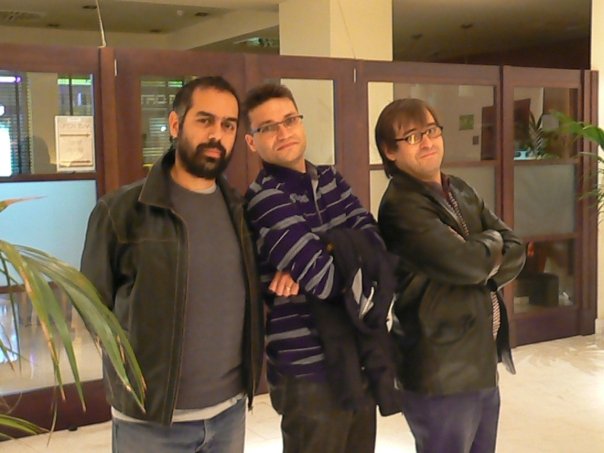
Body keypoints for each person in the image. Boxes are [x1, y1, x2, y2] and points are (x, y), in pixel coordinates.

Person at [80, 76, 263, 453]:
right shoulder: (121, 211)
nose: (217, 135)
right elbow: (92, 308)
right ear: (176, 124)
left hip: (229, 415)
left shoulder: (241, 211)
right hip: (151, 423)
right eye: (205, 120)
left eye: (228, 125)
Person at [243, 83, 400, 453]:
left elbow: (377, 249)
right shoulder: (265, 198)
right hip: (308, 368)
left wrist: (322, 247)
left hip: (359, 354)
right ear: (252, 142)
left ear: (301, 122)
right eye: (268, 127)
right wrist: (341, 249)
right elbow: (326, 280)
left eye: (289, 120)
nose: (283, 132)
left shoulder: (330, 179)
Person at [375, 98, 526, 453]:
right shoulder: (401, 206)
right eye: (412, 137)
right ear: (389, 151)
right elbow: (467, 263)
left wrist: (479, 255)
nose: (427, 142)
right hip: (440, 371)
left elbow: (517, 247)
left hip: (479, 359)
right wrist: (490, 245)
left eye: (431, 131)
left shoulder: (458, 188)